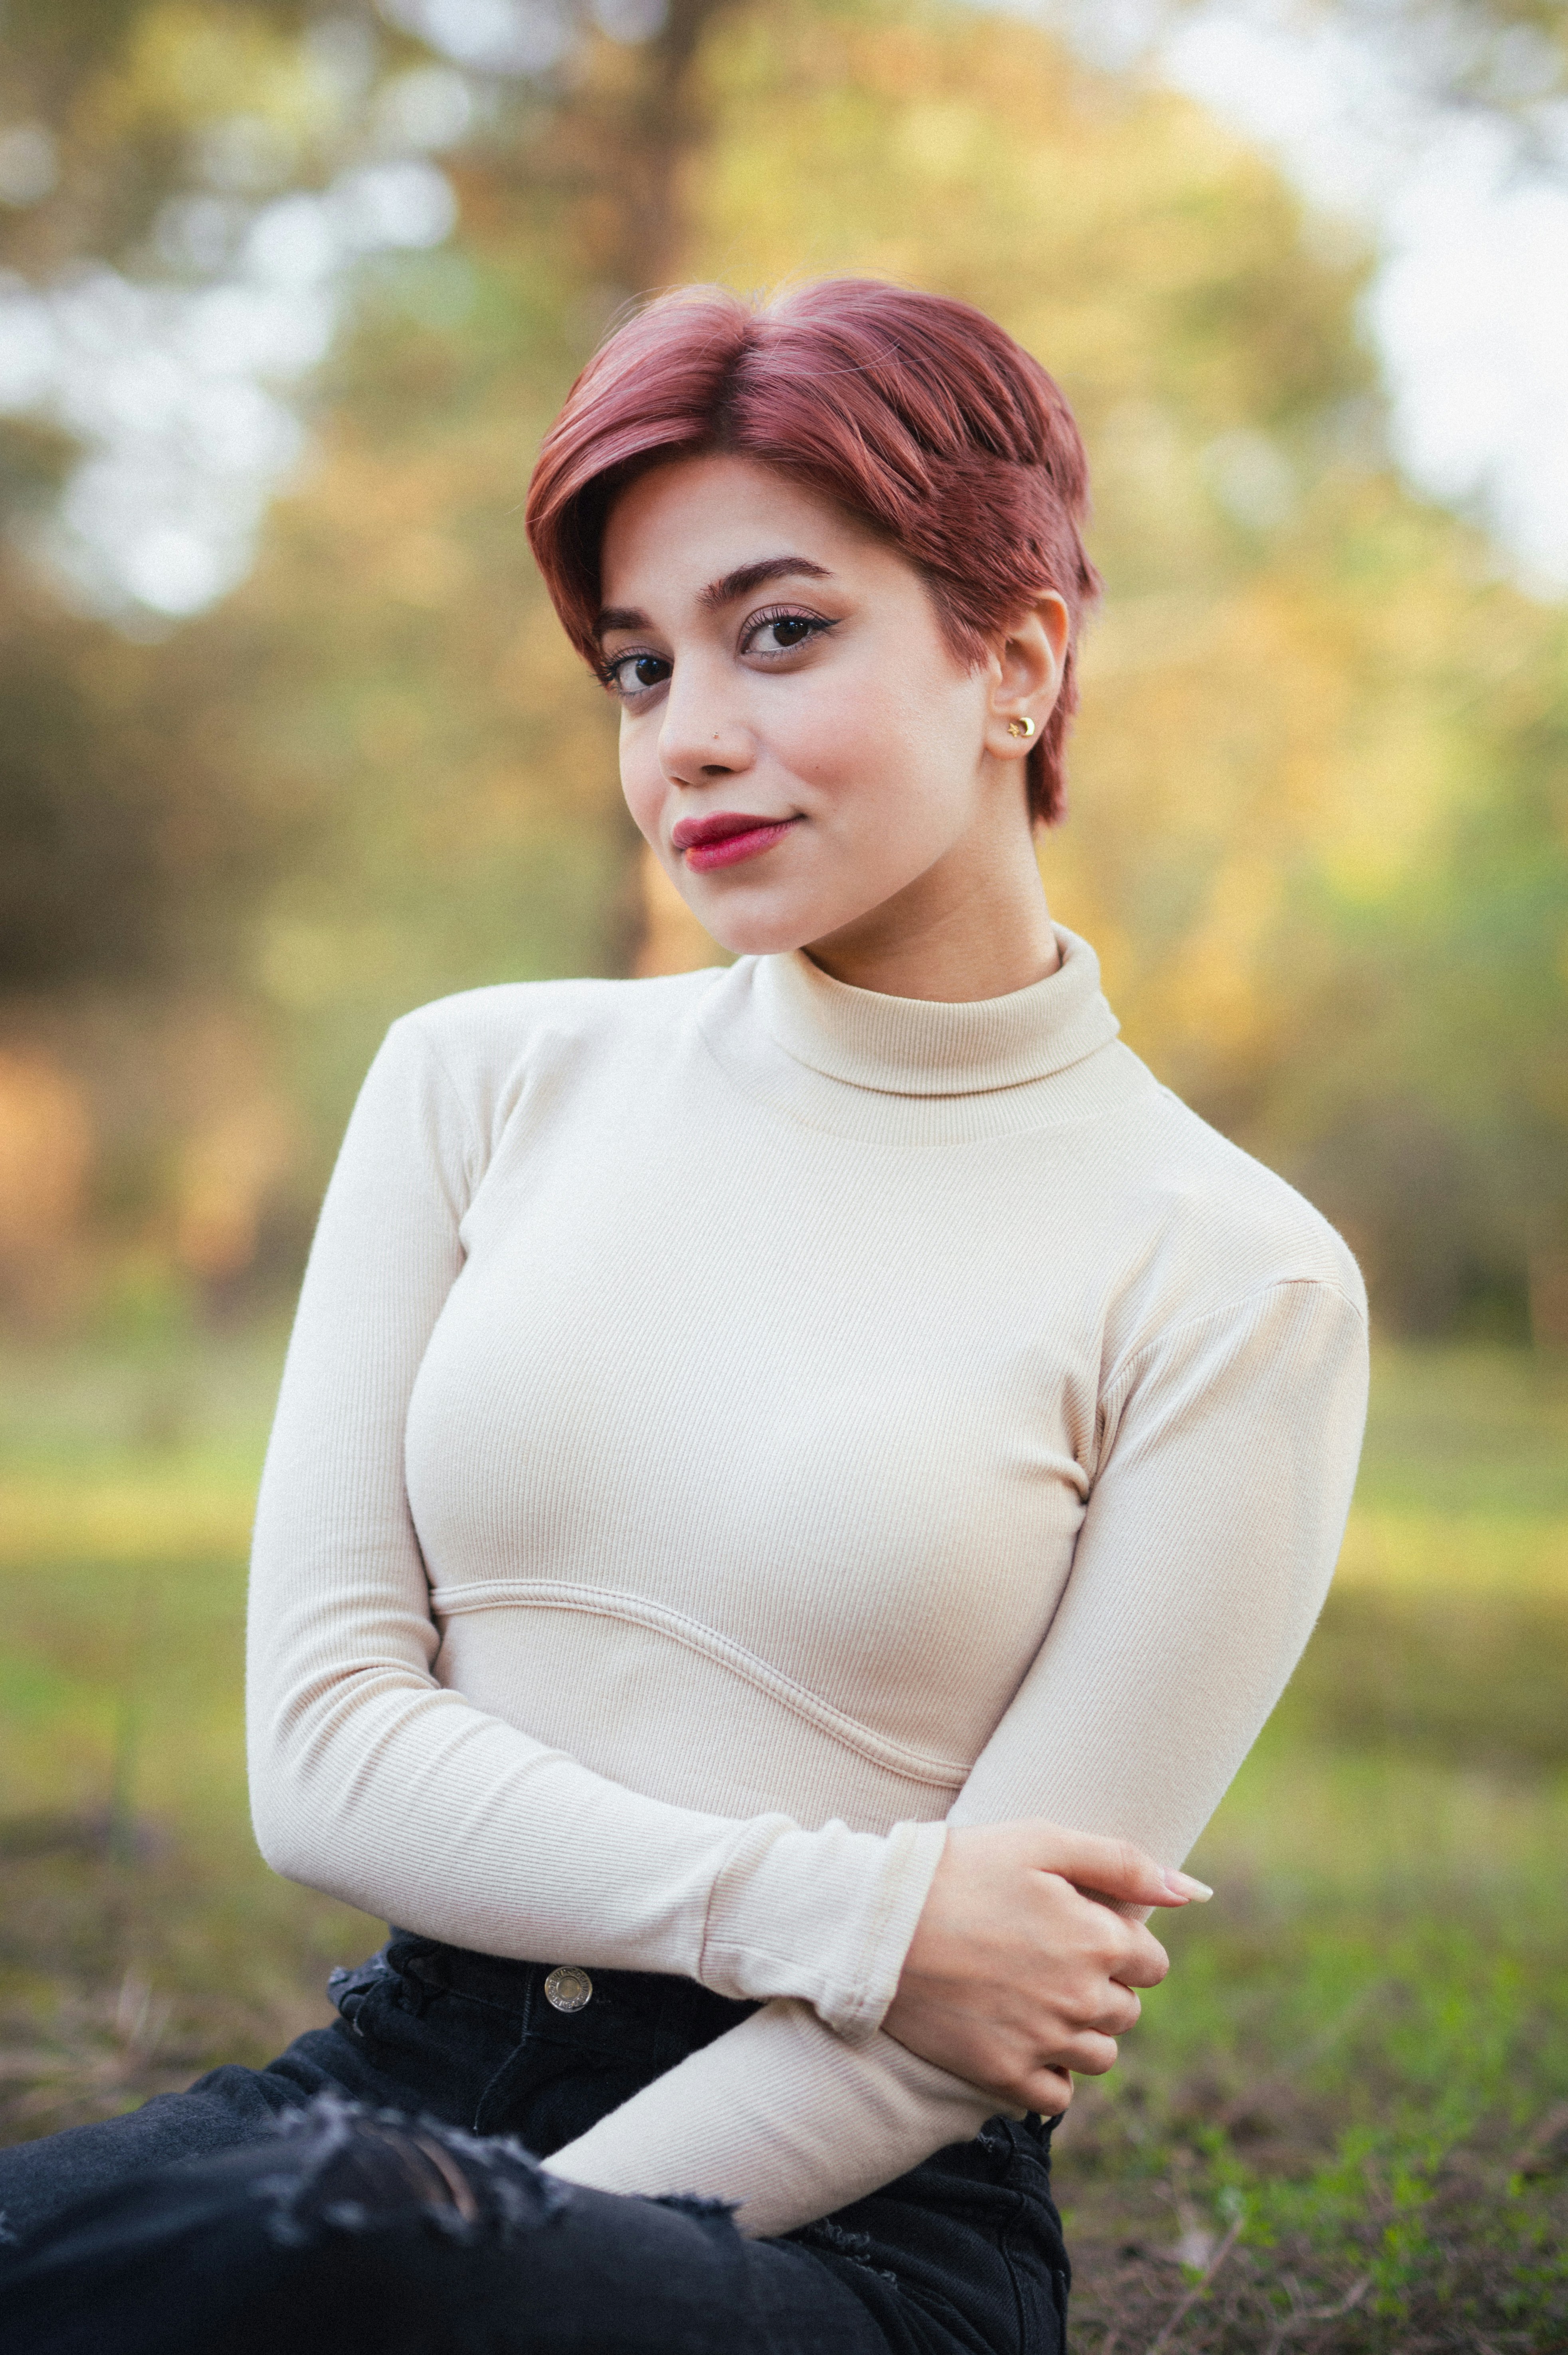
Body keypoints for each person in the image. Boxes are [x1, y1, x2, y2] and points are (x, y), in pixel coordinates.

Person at [0, 279, 1368, 2355]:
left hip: (835, 2228)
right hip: (370, 2104)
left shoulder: (1231, 1273)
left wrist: (463, 2250)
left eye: (780, 631)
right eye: (639, 667)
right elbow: (323, 1751)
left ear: (1014, 664)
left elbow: (959, 2033)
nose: (688, 737)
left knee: (344, 2244)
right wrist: (861, 1907)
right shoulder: (479, 1082)